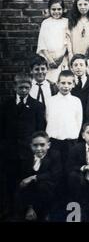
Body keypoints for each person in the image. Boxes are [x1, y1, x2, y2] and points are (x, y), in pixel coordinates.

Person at [0, 73, 46, 217]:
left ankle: (29, 208)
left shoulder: (37, 106)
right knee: (10, 180)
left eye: (27, 87)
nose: (24, 90)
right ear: (15, 87)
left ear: (30, 87)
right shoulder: (6, 105)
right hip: (10, 151)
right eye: (21, 87)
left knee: (28, 180)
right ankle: (9, 208)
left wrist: (36, 149)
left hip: (28, 151)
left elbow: (40, 129)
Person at [14, 131, 62, 221]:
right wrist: (30, 207)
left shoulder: (55, 155)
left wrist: (33, 177)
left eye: (42, 145)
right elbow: (24, 180)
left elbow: (54, 174)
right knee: (23, 186)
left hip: (48, 191)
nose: (39, 148)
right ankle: (30, 209)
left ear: (48, 145)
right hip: (32, 193)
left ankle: (45, 213)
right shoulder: (27, 158)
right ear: (31, 146)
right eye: (35, 145)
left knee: (43, 184)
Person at [46, 70, 82, 171]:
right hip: (54, 142)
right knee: (55, 169)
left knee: (70, 169)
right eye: (63, 83)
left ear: (73, 84)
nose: (66, 86)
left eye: (69, 83)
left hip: (71, 141)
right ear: (57, 83)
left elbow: (78, 121)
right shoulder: (50, 101)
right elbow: (47, 118)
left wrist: (73, 135)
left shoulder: (76, 101)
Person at [36, 0, 69, 83]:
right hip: (48, 59)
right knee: (50, 82)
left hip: (62, 58)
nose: (56, 12)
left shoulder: (66, 22)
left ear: (63, 9)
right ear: (49, 10)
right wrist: (49, 59)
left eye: (59, 9)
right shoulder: (46, 23)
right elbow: (42, 42)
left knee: (62, 80)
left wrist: (61, 58)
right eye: (53, 9)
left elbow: (68, 41)